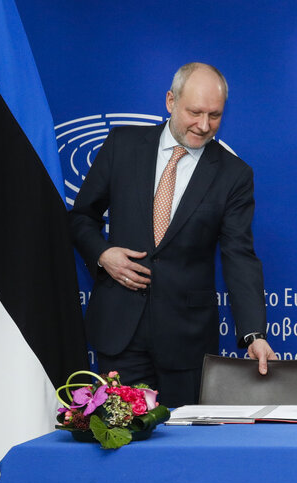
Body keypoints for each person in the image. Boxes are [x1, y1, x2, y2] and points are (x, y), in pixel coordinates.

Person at [69, 62, 276, 407]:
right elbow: (81, 217)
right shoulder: (122, 145)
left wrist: (253, 333)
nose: (204, 125)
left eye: (215, 115)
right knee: (122, 446)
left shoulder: (234, 175)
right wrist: (103, 255)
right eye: (195, 112)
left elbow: (239, 254)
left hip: (187, 342)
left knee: (185, 451)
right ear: (170, 101)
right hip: (120, 332)